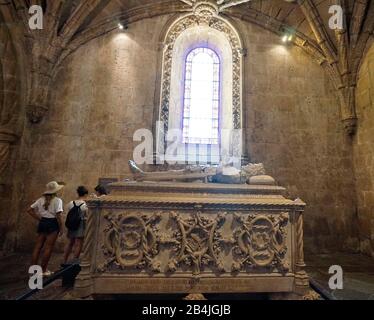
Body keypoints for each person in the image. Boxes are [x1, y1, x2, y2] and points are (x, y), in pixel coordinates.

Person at [27, 181, 64, 277]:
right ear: (56, 191)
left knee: (37, 247)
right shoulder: (58, 200)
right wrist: (61, 227)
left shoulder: (40, 200)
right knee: (48, 247)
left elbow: (29, 210)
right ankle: (43, 271)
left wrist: (39, 219)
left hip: (43, 223)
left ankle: (33, 271)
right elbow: (59, 216)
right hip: (53, 223)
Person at [63, 186, 89, 265]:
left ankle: (64, 260)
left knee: (70, 242)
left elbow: (67, 213)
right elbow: (87, 216)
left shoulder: (71, 203)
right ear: (85, 194)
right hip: (80, 224)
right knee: (79, 243)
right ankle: (74, 262)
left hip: (72, 224)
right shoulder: (85, 205)